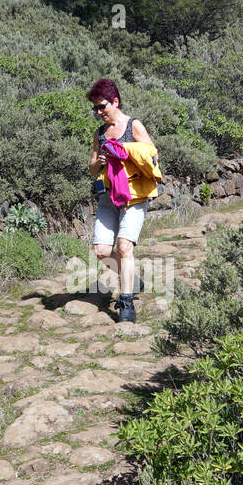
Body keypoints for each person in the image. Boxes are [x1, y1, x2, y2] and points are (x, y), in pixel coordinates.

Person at [86, 78, 157, 322]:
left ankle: (126, 303)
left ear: (115, 101)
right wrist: (100, 162)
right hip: (108, 197)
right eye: (95, 108)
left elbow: (151, 153)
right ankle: (132, 279)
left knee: (124, 247)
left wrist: (125, 151)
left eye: (102, 106)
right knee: (102, 250)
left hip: (134, 196)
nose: (99, 112)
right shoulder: (100, 134)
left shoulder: (133, 125)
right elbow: (92, 168)